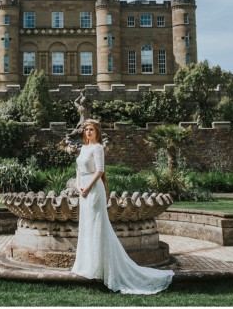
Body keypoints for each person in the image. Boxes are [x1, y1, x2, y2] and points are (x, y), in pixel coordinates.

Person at [71, 119, 174, 294]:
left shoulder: (98, 148)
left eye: (91, 129)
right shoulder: (83, 148)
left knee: (97, 227)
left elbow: (100, 170)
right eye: (86, 129)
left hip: (94, 190)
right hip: (83, 192)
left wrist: (88, 187)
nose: (88, 132)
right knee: (86, 227)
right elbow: (78, 170)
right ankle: (87, 264)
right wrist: (78, 186)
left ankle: (101, 267)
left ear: (97, 132)